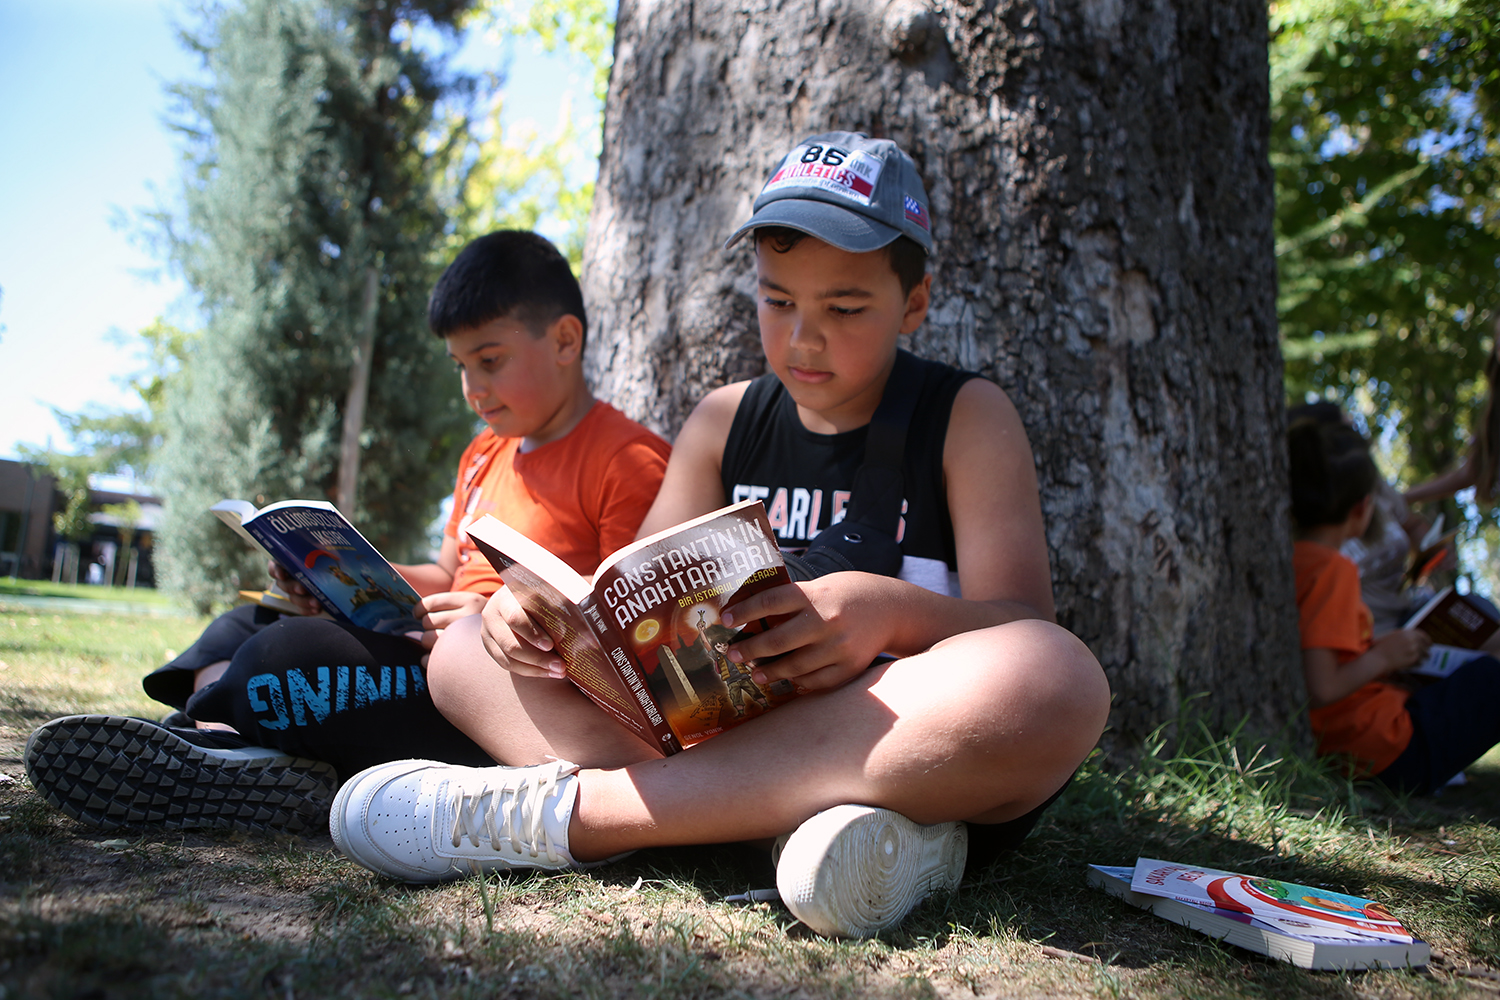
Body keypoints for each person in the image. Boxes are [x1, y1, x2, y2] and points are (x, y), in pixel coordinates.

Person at [326, 132, 1111, 939]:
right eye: (778, 302)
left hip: (894, 728)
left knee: (1056, 676)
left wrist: (885, 612)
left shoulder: (965, 418)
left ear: (914, 303)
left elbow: (1021, 619)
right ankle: (813, 835)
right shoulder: (722, 422)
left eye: (844, 309)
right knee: (461, 653)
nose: (804, 339)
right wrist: (530, 621)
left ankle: (579, 817)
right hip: (723, 734)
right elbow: (624, 604)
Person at [23, 231, 672, 834]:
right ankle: (234, 742)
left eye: (490, 360)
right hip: (425, 644)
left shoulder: (629, 461)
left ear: (564, 340)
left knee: (285, 658)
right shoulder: (483, 455)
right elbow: (446, 575)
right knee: (239, 628)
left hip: (485, 691)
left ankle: (227, 740)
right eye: (459, 366)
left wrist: (494, 615)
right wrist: (336, 576)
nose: (473, 387)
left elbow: (621, 633)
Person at [1287, 417, 1500, 795]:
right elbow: (1322, 686)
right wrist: (1384, 657)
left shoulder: (1293, 559)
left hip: (1369, 741)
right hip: (1385, 749)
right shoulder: (1332, 570)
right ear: (1361, 508)